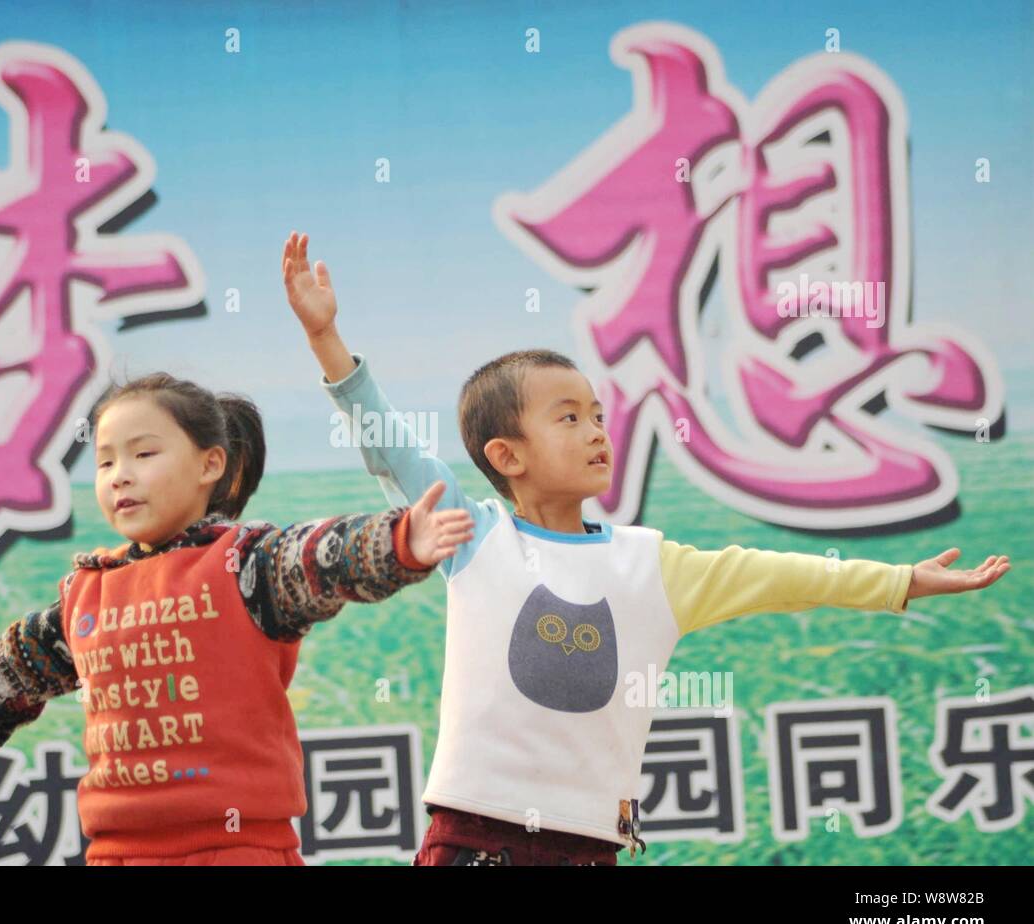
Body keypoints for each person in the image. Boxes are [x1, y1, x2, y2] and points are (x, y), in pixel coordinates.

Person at [281, 230, 1012, 866]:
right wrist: (326, 343)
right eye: (568, 418)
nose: (598, 431)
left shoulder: (654, 564)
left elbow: (786, 577)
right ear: (506, 455)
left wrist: (900, 581)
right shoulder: (473, 538)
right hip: (471, 840)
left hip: (591, 845)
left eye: (598, 415)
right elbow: (393, 453)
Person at [0, 370, 474, 865]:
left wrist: (398, 543)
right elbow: (2, 681)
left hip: (238, 849)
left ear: (211, 464)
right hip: (116, 853)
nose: (120, 474)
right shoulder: (84, 594)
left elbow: (317, 557)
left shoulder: (244, 566)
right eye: (104, 462)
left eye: (144, 453)